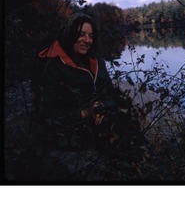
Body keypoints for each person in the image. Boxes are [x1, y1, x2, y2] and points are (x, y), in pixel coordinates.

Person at [32, 12, 146, 155]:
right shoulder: (51, 64)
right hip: (69, 125)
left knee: (126, 110)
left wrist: (102, 107)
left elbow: (108, 92)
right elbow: (44, 113)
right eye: (81, 34)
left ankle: (141, 155)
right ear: (70, 34)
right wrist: (85, 113)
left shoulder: (96, 61)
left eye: (91, 36)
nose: (87, 40)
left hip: (96, 117)